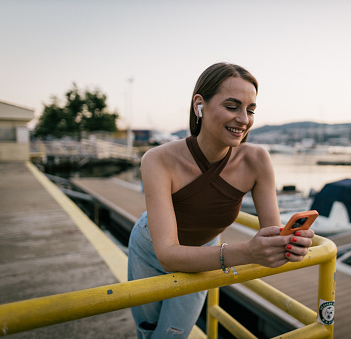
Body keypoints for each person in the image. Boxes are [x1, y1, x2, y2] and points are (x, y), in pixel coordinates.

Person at [127, 62, 314, 339]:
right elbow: (167, 255)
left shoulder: (256, 160)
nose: (244, 119)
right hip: (148, 249)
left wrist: (287, 245)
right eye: (232, 106)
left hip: (204, 255)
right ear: (199, 105)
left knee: (173, 335)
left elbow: (271, 234)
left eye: (250, 110)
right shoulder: (158, 160)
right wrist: (249, 252)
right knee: (148, 330)